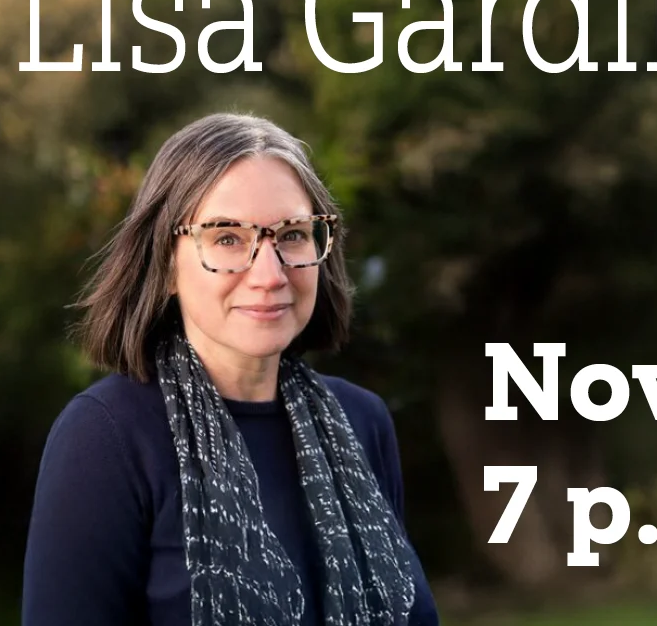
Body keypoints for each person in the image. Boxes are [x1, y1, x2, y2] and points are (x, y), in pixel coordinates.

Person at [22, 113, 441, 626]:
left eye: (291, 235)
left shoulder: (363, 422)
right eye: (226, 239)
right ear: (166, 263)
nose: (269, 273)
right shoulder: (106, 436)